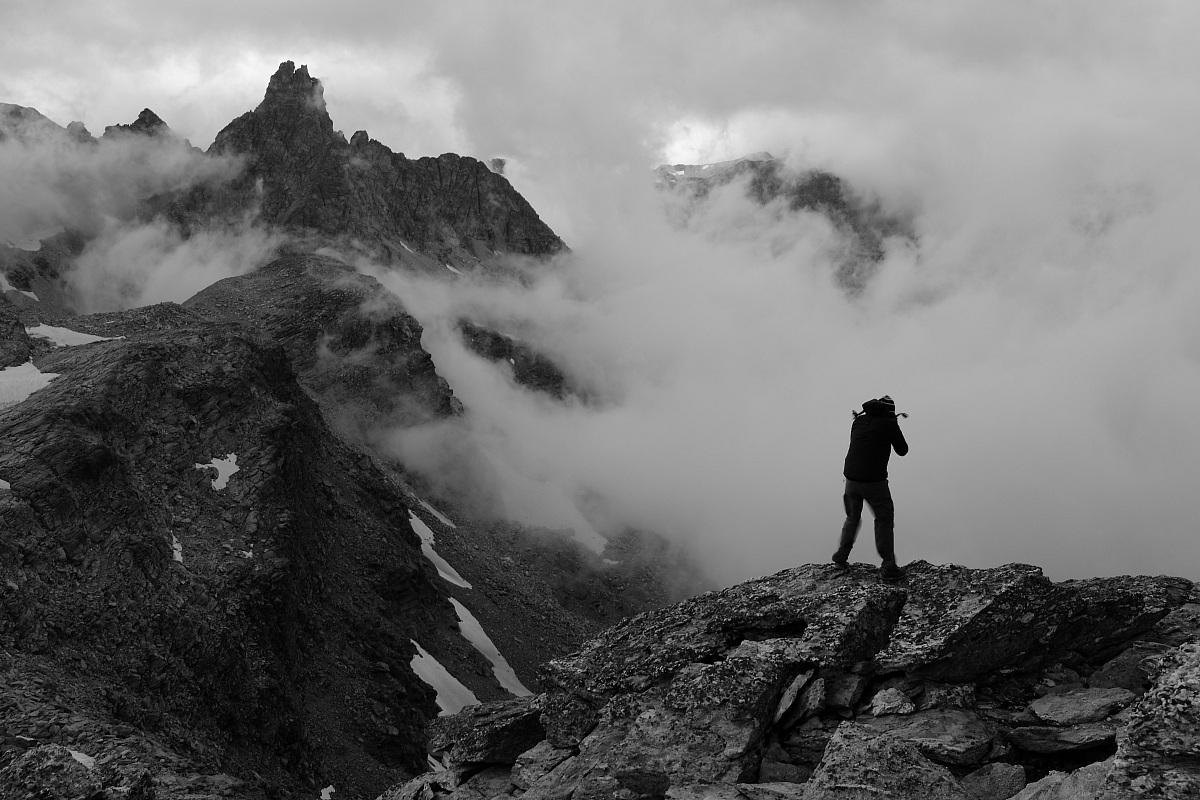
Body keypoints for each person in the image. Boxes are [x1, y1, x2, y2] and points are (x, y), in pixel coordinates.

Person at [833, 395, 909, 579]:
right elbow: (902, 450)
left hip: (850, 480)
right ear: (890, 413)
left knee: (852, 517)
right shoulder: (889, 425)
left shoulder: (858, 422)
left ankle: (840, 558)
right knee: (883, 519)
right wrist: (894, 424)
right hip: (874, 483)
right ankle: (889, 567)